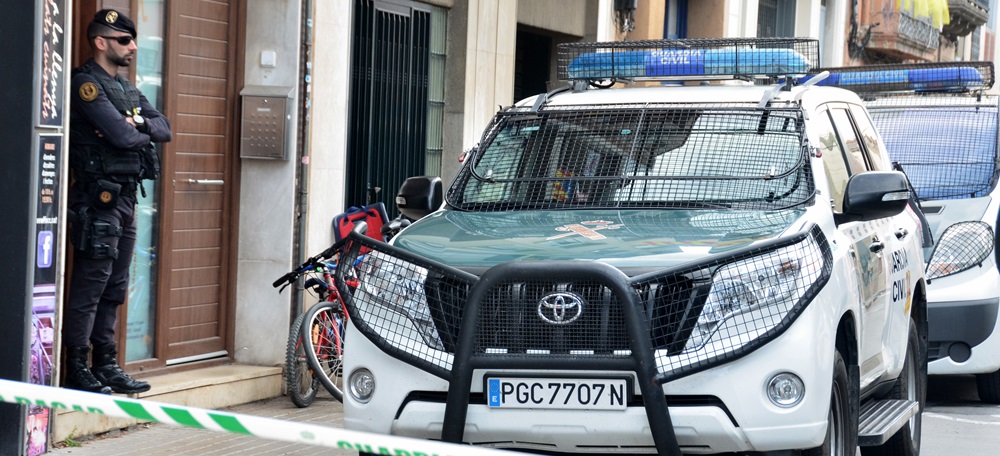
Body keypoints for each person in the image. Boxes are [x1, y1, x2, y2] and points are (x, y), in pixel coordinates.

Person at [64, 9, 171, 394]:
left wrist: (135, 123)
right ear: (100, 42)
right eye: (124, 40)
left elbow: (165, 128)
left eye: (133, 39)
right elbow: (121, 138)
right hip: (98, 201)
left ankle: (106, 363)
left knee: (116, 285)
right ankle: (77, 367)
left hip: (126, 200)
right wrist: (133, 128)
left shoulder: (127, 89)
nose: (133, 47)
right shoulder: (86, 85)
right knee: (91, 285)